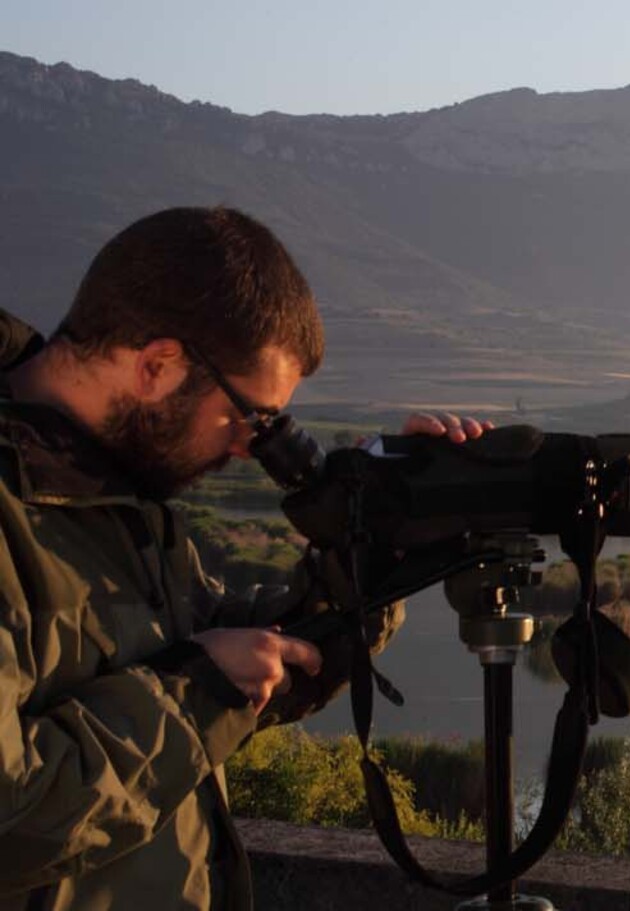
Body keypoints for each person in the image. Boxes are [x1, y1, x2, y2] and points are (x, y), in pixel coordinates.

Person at [0, 207, 491, 911]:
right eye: (251, 419)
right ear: (158, 364)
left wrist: (380, 551)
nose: (248, 449)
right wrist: (198, 688)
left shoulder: (111, 493)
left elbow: (243, 654)